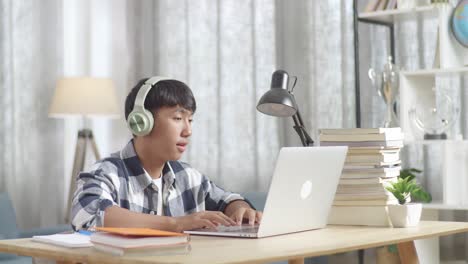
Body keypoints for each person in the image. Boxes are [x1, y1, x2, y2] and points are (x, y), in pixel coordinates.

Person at [70, 77, 262, 232]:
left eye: (190, 120)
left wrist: (240, 209)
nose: (188, 131)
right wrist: (175, 224)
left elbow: (226, 200)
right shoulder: (106, 173)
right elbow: (87, 213)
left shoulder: (187, 176)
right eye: (178, 118)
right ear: (142, 122)